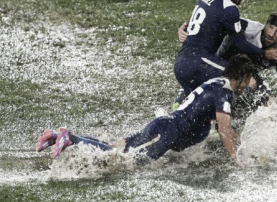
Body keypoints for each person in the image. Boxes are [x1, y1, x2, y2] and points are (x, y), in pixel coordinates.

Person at [36, 54, 256, 165]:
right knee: (121, 162)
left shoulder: (216, 82)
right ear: (242, 77)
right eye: (248, 80)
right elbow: (225, 129)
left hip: (165, 124)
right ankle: (70, 137)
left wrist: (238, 141)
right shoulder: (224, 93)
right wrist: (236, 160)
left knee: (117, 149)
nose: (247, 86)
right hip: (169, 133)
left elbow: (221, 126)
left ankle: (59, 135)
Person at [174, 0, 277, 104]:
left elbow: (207, 20)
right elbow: (240, 43)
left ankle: (178, 109)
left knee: (199, 108)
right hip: (199, 63)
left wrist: (184, 26)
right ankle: (235, 118)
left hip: (182, 61)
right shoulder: (230, 8)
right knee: (248, 81)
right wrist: (265, 53)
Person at [177, 11, 277, 106]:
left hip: (246, 75)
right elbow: (217, 21)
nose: (271, 34)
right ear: (266, 25)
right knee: (247, 84)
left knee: (271, 103)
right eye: (270, 27)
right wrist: (188, 26)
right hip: (218, 64)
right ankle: (183, 99)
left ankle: (235, 123)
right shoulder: (249, 27)